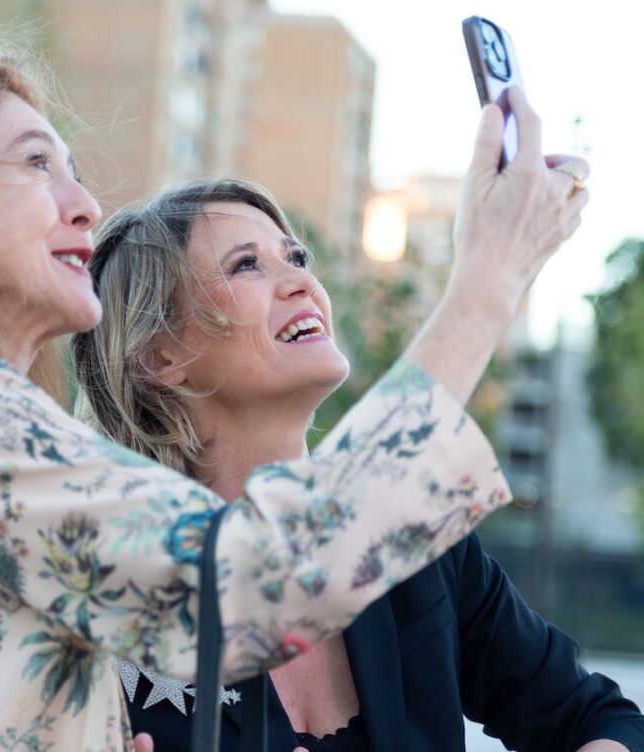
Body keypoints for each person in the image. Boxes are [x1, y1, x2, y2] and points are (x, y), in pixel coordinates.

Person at [0, 44, 558, 752]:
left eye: (73, 171)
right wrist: (490, 279)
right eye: (35, 163)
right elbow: (252, 585)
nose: (85, 206)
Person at [73, 171, 642, 752]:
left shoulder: (417, 542)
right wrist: (490, 278)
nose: (301, 281)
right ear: (159, 355)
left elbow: (598, 717)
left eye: (296, 257)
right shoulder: (106, 597)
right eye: (247, 265)